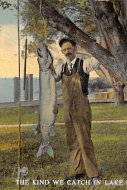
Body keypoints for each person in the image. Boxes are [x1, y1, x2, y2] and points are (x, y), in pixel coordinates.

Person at [53, 38, 101, 181]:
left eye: (70, 49)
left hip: (81, 108)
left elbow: (98, 59)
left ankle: (93, 174)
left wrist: (88, 48)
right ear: (61, 51)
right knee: (72, 140)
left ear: (75, 49)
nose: (67, 52)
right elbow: (51, 77)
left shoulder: (85, 64)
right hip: (67, 109)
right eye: (64, 50)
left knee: (84, 139)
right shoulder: (60, 68)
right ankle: (78, 171)